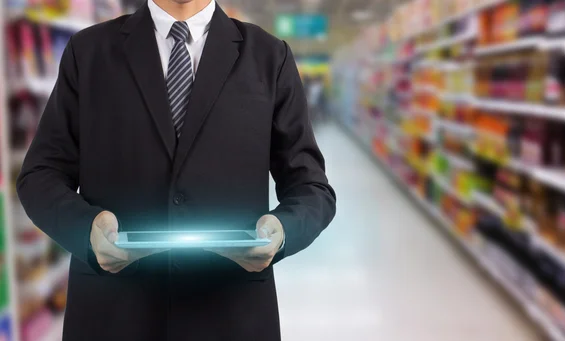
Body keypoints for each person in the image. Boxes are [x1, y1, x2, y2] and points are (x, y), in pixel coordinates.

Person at [16, 0, 336, 340]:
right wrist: (86, 229)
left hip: (230, 314)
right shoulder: (89, 52)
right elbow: (40, 174)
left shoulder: (270, 58)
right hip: (114, 315)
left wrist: (282, 230)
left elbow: (311, 186)